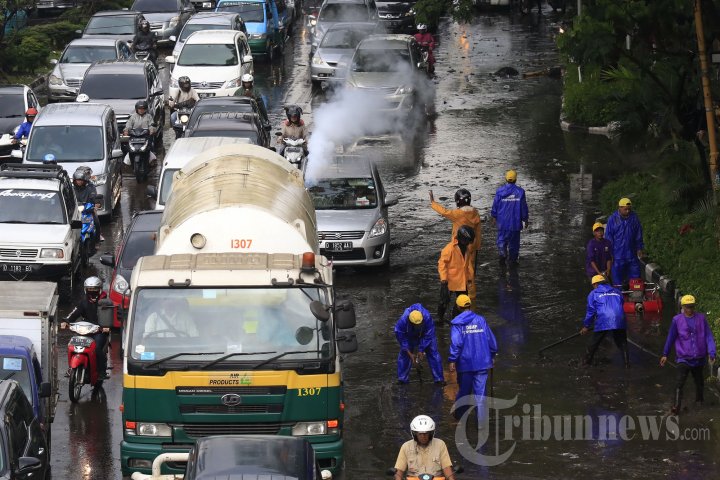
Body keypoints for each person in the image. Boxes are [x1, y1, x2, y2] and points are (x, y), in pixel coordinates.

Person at [661, 295, 717, 414]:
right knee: (679, 382)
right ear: (683, 307)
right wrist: (665, 354)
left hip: (699, 358)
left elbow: (709, 336)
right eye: (687, 307)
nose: (690, 309)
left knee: (699, 382)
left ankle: (699, 402)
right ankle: (676, 407)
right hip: (683, 358)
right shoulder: (677, 320)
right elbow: (671, 337)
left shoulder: (701, 319)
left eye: (691, 307)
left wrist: (712, 352)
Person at [448, 295, 498, 418]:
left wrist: (452, 360)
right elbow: (491, 340)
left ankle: (459, 415)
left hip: (465, 363)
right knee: (480, 395)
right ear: (469, 305)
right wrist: (492, 355)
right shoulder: (481, 320)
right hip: (482, 362)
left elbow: (456, 343)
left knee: (464, 392)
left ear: (458, 307)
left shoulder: (457, 323)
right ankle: (481, 422)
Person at [61, 277, 110, 379]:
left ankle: (102, 371)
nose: (92, 292)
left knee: (97, 349)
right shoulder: (83, 302)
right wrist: (66, 321)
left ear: (99, 289)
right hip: (85, 330)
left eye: (94, 289)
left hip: (99, 332)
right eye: (89, 289)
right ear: (85, 290)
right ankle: (71, 368)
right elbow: (74, 313)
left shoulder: (105, 303)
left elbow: (111, 316)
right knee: (72, 345)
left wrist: (106, 327)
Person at [580, 275, 629, 367]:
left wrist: (586, 326)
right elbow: (621, 303)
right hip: (620, 319)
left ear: (595, 284)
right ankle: (627, 364)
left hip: (604, 320)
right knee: (622, 343)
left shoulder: (593, 293)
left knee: (594, 343)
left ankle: (585, 363)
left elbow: (590, 311)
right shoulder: (617, 291)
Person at [394, 304, 444, 384]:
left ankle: (439, 379)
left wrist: (421, 350)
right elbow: (401, 337)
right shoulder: (403, 321)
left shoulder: (427, 317)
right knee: (404, 354)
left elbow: (429, 334)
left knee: (433, 353)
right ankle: (402, 379)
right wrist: (410, 354)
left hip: (425, 334)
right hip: (409, 334)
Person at [430, 188, 482, 266]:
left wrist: (433, 202)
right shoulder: (475, 212)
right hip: (472, 244)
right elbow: (478, 231)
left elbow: (443, 211)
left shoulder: (457, 214)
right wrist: (477, 245)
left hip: (459, 244)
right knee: (470, 265)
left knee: (459, 264)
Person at [393, 415, 456, 480]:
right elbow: (399, 471)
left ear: (431, 433)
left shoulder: (440, 444)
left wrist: (451, 478)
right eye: (420, 434)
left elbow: (446, 468)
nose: (423, 436)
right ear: (415, 434)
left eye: (426, 433)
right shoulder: (406, 446)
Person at [604, 197, 645, 287]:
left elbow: (638, 235)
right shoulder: (613, 219)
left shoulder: (634, 218)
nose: (628, 211)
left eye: (629, 209)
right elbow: (609, 237)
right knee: (617, 278)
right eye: (625, 209)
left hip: (631, 254)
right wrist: (610, 253)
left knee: (635, 277)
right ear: (620, 208)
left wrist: (639, 248)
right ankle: (619, 292)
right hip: (617, 255)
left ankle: (635, 292)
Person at [490, 170, 529, 266]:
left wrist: (494, 216)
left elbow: (495, 205)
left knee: (501, 240)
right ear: (515, 179)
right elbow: (523, 207)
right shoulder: (520, 192)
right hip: (515, 222)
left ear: (506, 179)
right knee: (514, 243)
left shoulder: (499, 191)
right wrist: (525, 219)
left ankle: (502, 254)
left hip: (502, 222)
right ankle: (512, 260)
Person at [438, 225, 476, 321]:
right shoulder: (449, 248)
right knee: (444, 301)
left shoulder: (466, 250)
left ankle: (456, 318)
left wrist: (469, 279)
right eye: (467, 241)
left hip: (462, 281)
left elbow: (467, 266)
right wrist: (443, 280)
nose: (468, 244)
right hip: (449, 281)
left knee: (462, 302)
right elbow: (442, 264)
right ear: (462, 239)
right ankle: (440, 319)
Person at [72, 167, 103, 242]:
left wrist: (94, 205)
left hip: (87, 210)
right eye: (77, 180)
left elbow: (94, 198)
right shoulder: (72, 189)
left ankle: (97, 239)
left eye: (80, 180)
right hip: (75, 210)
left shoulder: (90, 187)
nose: (79, 182)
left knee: (96, 222)